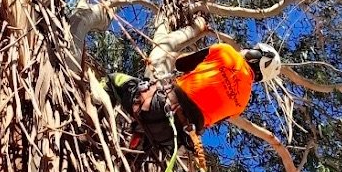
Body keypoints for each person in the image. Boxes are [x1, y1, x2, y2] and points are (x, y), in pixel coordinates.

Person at [105, 42, 281, 152]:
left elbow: (181, 64)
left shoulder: (227, 52)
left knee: (114, 80)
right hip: (171, 139)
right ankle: (138, 140)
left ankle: (90, 109)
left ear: (255, 55)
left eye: (253, 50)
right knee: (146, 141)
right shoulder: (242, 104)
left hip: (159, 107)